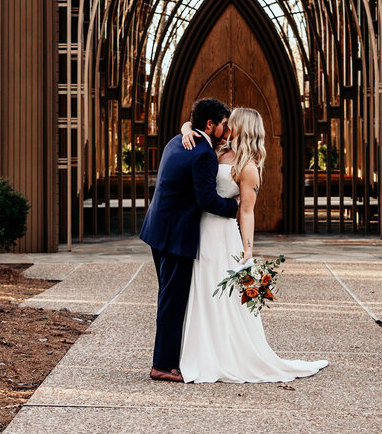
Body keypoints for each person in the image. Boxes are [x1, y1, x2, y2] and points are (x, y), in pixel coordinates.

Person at [178, 106, 328, 384]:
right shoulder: (218, 150)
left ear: (241, 127)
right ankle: (201, 350)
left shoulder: (248, 168)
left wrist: (248, 250)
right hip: (199, 230)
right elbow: (195, 130)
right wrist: (186, 129)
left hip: (223, 235)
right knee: (202, 289)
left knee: (223, 294)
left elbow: (246, 211)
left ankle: (223, 355)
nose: (226, 127)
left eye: (231, 123)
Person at [139, 97, 239, 382]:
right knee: (172, 300)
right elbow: (207, 200)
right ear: (210, 124)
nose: (227, 131)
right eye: (223, 125)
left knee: (168, 297)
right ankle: (162, 365)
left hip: (158, 230)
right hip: (176, 236)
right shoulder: (203, 154)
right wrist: (237, 206)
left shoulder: (177, 140)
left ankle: (171, 357)